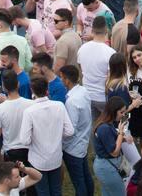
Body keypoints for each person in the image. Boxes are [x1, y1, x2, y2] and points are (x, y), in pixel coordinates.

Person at [19, 75, 75, 196]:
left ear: (32, 91)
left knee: (43, 191)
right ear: (47, 90)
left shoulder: (29, 111)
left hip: (38, 160)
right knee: (56, 190)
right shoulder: (59, 106)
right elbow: (70, 131)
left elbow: (24, 140)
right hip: (55, 158)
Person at [60, 64, 95, 196]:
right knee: (86, 177)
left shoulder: (71, 101)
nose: (61, 80)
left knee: (79, 182)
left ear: (67, 80)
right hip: (83, 142)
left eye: (62, 78)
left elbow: (71, 130)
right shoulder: (83, 91)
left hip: (73, 148)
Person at [77, 15, 115, 119]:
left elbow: (81, 70)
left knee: (91, 127)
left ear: (92, 30)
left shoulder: (82, 49)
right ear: (106, 30)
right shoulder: (110, 52)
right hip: (102, 96)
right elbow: (111, 77)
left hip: (87, 94)